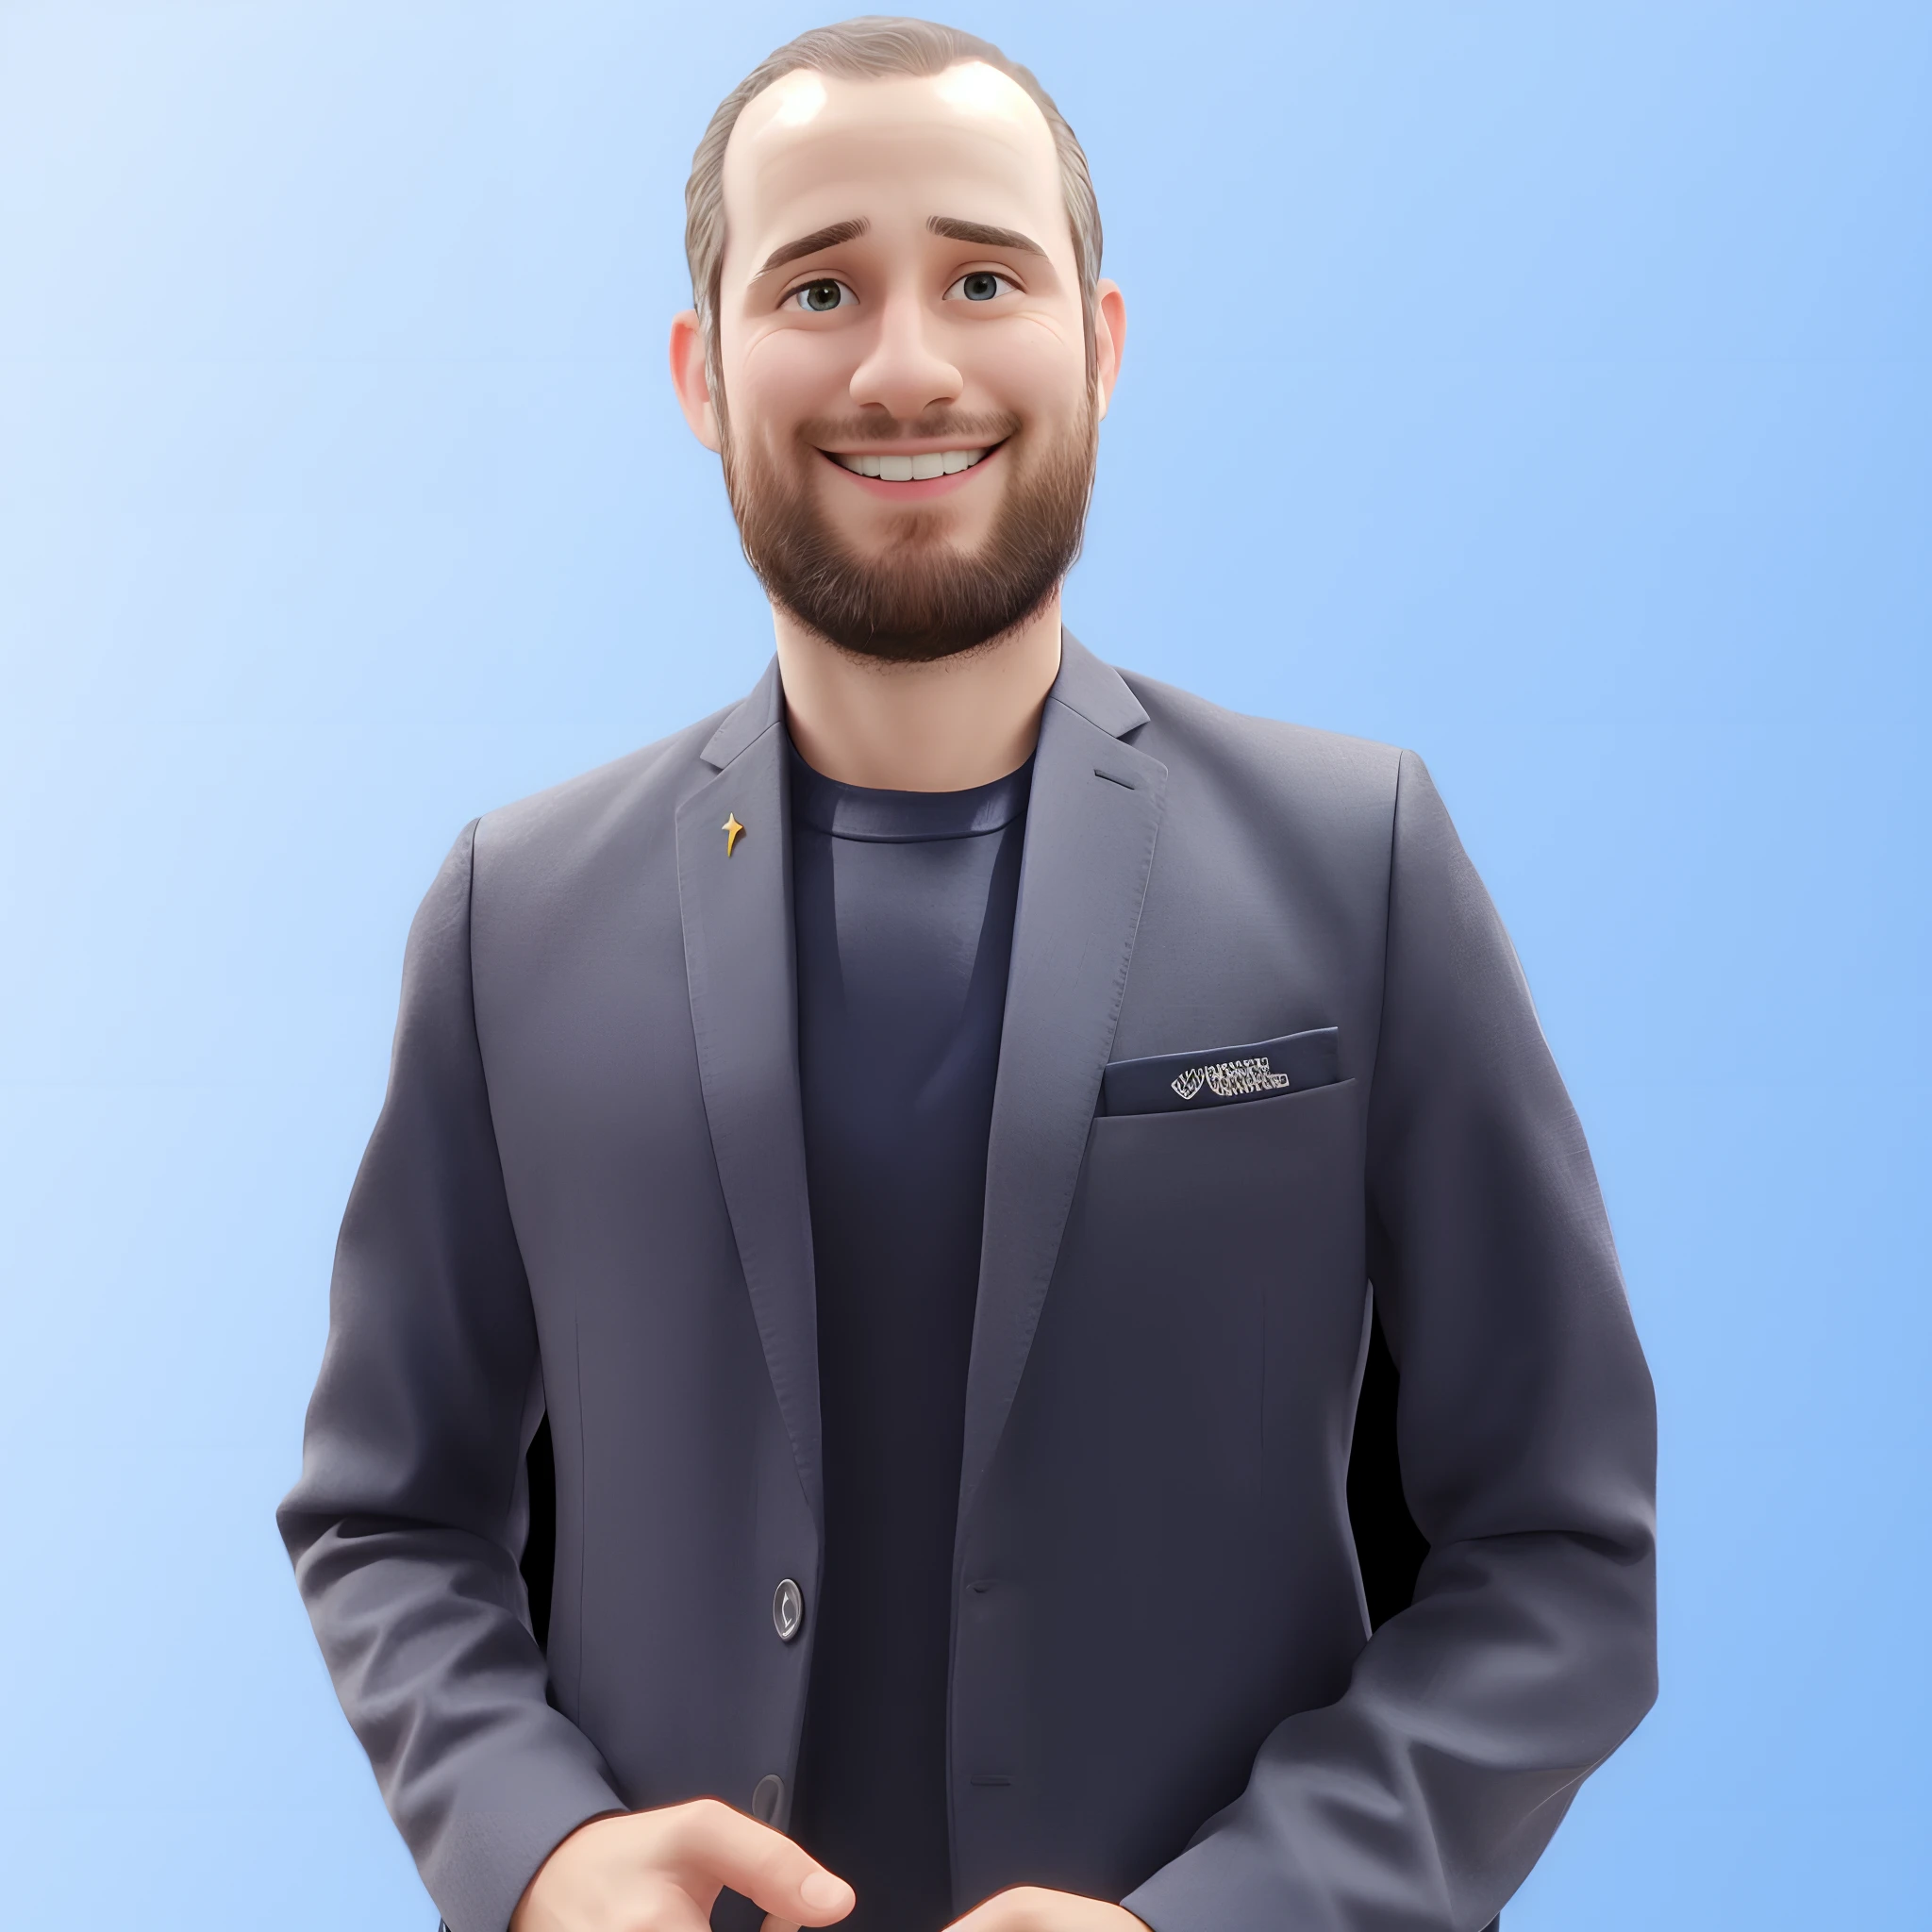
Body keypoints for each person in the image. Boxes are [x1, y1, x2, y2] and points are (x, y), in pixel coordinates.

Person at [277, 19, 1657, 1932]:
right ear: (703, 370)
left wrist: (1238, 1913)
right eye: (819, 283)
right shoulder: (514, 912)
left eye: (982, 276)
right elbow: (388, 1510)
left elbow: (1555, 1552)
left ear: (1098, 340)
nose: (906, 361)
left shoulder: (1361, 868)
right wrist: (542, 1851)